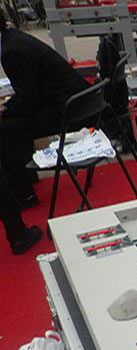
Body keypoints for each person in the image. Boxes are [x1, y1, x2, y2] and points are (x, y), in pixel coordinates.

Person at [0, 9, 89, 209]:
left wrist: (5, 110)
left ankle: (24, 194)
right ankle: (27, 176)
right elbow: (30, 93)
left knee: (6, 130)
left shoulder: (10, 51)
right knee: (14, 121)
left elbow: (29, 100)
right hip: (72, 100)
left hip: (69, 109)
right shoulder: (12, 39)